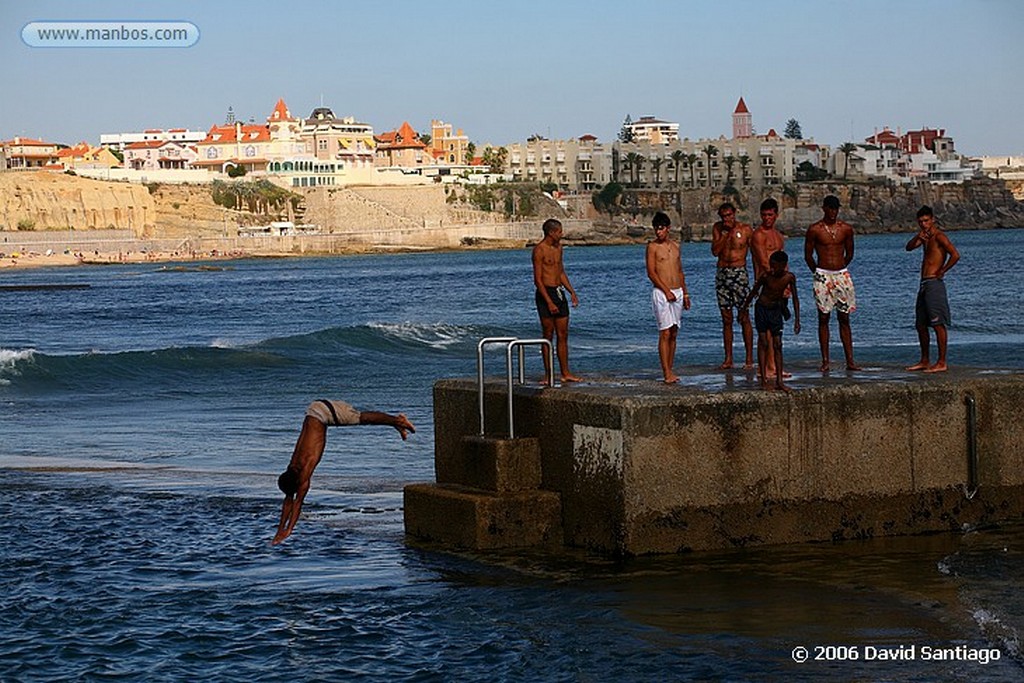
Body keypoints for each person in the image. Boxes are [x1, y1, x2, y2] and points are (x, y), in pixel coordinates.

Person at [273, 400, 415, 545]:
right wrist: (279, 530)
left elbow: (297, 504)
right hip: (314, 410)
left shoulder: (304, 475)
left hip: (325, 413)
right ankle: (397, 424)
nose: (290, 496)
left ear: (296, 484)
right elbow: (289, 500)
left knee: (362, 418)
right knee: (360, 419)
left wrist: (288, 530)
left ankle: (398, 420)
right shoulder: (292, 467)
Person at [804, 195, 861, 371]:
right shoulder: (815, 229)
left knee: (844, 318)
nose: (833, 212)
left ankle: (850, 361)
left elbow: (850, 253)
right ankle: (825, 361)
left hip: (841, 274)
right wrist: (819, 272)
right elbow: (808, 255)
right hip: (823, 274)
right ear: (824, 208)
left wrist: (840, 268)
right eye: (830, 208)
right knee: (823, 317)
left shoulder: (846, 229)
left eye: (835, 209)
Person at [905, 205, 960, 373]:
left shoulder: (939, 237)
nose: (923, 224)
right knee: (921, 324)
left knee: (938, 324)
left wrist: (942, 270)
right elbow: (908, 248)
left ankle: (942, 362)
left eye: (926, 221)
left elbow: (955, 254)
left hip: (934, 283)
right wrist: (918, 236)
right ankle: (924, 360)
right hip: (924, 284)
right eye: (921, 221)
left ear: (933, 220)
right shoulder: (925, 238)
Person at [742, 251, 801, 391]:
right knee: (763, 342)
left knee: (778, 344)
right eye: (771, 265)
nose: (773, 269)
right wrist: (744, 310)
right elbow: (753, 292)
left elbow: (795, 298)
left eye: (776, 266)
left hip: (775, 310)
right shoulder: (766, 276)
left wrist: (797, 320)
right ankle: (763, 379)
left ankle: (779, 381)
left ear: (784, 265)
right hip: (761, 309)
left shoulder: (789, 277)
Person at [532, 218, 581, 383]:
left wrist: (572, 292)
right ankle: (548, 374)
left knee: (563, 334)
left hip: (559, 292)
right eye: (559, 231)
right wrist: (549, 301)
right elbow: (537, 280)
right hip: (545, 293)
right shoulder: (539, 250)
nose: (562, 234)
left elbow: (560, 272)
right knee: (548, 334)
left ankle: (565, 373)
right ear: (551, 233)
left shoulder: (559, 248)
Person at [646, 211, 691, 383]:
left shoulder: (676, 246)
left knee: (674, 332)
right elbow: (651, 272)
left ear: (668, 228)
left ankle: (670, 369)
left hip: (677, 291)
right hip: (661, 292)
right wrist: (666, 291)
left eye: (661, 229)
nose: (659, 232)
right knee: (664, 332)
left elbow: (680, 271)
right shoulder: (652, 247)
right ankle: (665, 372)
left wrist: (685, 293)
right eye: (656, 229)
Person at [711, 202, 754, 369]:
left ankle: (749, 358)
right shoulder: (717, 228)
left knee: (744, 316)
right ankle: (728, 358)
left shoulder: (745, 230)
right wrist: (724, 235)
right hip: (722, 273)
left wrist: (759, 277)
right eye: (723, 216)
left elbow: (756, 253)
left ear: (735, 213)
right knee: (726, 318)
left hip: (739, 273)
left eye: (729, 215)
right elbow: (715, 251)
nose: (727, 219)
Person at [750, 197, 790, 379]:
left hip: (778, 286)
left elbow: (783, 262)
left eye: (770, 215)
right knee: (764, 331)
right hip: (765, 286)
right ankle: (766, 367)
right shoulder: (758, 235)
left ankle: (773, 366)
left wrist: (786, 285)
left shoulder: (778, 236)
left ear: (776, 215)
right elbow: (764, 262)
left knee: (775, 330)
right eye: (764, 215)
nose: (767, 218)